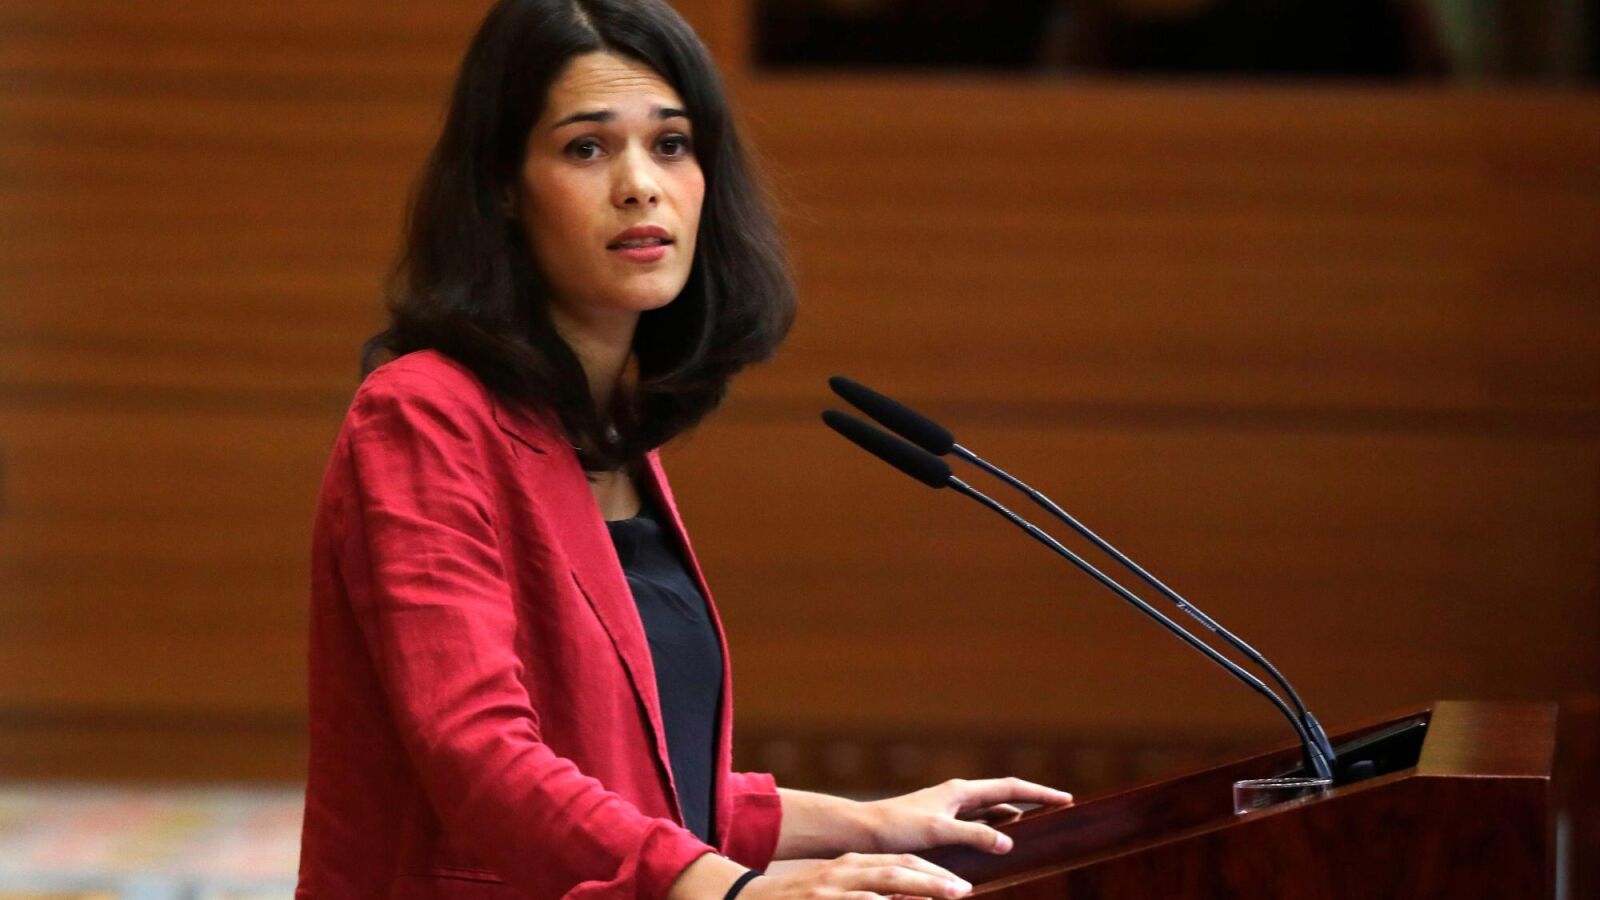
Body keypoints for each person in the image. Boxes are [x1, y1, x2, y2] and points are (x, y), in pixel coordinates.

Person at [294, 2, 1073, 898]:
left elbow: (641, 789)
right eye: (587, 148)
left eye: (670, 144)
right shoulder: (424, 416)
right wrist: (732, 890)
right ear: (502, 186)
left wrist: (871, 822)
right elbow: (477, 756)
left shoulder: (612, 437)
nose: (640, 184)